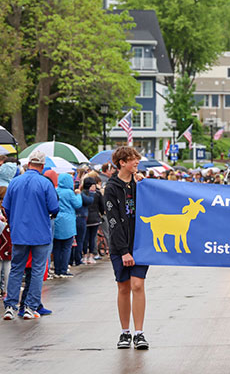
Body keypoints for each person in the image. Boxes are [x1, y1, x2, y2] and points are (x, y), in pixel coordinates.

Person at [1, 151, 59, 320]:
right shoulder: (45, 183)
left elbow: (7, 207)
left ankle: (10, 306)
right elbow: (54, 208)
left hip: (19, 232)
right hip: (40, 231)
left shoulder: (15, 182)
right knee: (37, 270)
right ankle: (30, 306)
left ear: (28, 164)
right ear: (42, 166)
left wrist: (14, 221)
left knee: (16, 269)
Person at [105, 146, 149, 350]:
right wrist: (123, 251)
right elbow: (113, 221)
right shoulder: (112, 187)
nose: (136, 163)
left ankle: (139, 333)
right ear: (122, 162)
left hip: (141, 244)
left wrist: (144, 183)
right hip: (120, 246)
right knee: (123, 287)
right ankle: (125, 333)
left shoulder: (140, 184)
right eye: (133, 160)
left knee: (138, 285)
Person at [53, 173, 82, 278]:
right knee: (66, 247)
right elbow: (78, 204)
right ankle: (63, 269)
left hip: (57, 219)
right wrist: (78, 194)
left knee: (57, 247)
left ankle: (57, 269)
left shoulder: (55, 190)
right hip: (68, 220)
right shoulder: (70, 193)